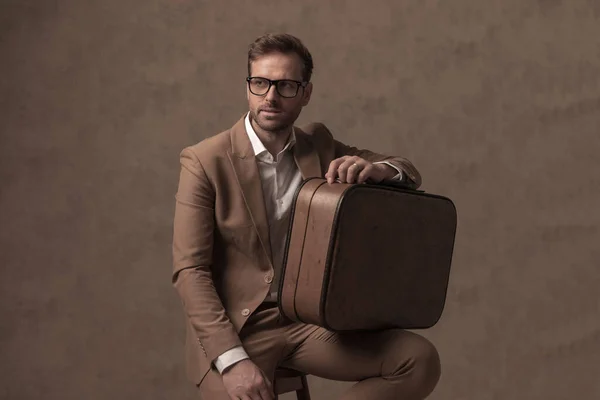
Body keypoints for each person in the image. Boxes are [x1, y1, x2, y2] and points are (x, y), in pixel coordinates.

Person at [172, 33, 441, 400]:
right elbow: (190, 272)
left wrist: (379, 170)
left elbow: (407, 169)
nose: (270, 96)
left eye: (285, 85)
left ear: (305, 94)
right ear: (248, 86)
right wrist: (232, 361)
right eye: (260, 82)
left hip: (309, 323)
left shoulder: (320, 145)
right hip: (239, 329)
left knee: (418, 360)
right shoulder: (204, 161)